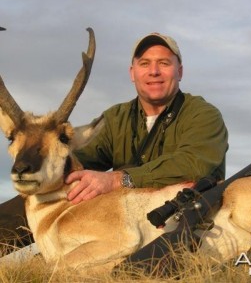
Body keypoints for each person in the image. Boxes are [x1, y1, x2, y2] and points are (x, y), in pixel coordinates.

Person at [0, 32, 228, 253]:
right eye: (145, 63)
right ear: (132, 72)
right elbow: (77, 162)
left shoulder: (203, 115)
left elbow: (194, 163)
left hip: (186, 220)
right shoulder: (115, 118)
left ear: (180, 71)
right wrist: (41, 161)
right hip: (125, 218)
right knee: (38, 193)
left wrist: (119, 179)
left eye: (164, 63)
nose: (154, 71)